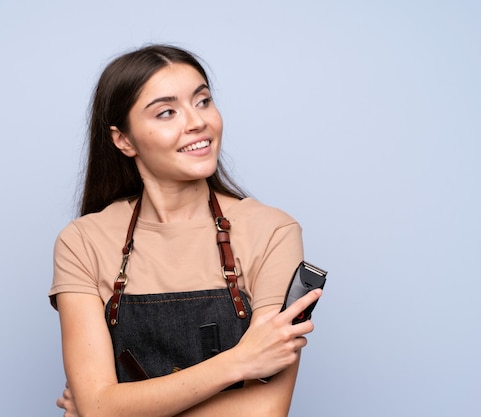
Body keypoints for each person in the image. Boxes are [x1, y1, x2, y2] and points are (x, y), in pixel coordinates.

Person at [49, 44, 322, 417]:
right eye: (166, 112)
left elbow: (263, 411)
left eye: (203, 101)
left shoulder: (272, 232)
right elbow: (100, 407)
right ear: (123, 140)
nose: (197, 122)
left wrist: (118, 407)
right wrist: (239, 361)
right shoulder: (83, 242)